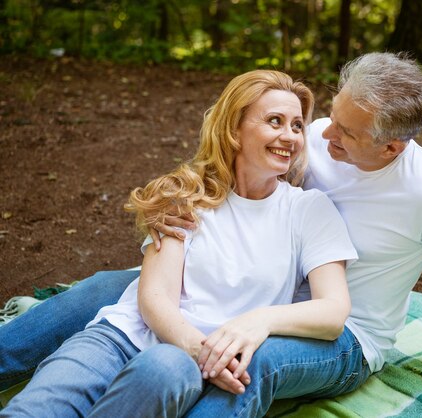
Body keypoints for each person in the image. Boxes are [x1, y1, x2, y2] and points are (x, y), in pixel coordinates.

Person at [0, 53, 422, 415]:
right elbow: (244, 155)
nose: (317, 137)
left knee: (245, 362)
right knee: (114, 290)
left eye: (340, 131)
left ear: (391, 145)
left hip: (339, 333)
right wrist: (183, 198)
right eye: (324, 119)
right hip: (234, 299)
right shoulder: (313, 137)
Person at [0, 70, 359, 417]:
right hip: (122, 338)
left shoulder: (309, 210)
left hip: (183, 364)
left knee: (161, 367)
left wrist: (256, 322)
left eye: (297, 125)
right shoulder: (187, 195)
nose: (291, 136)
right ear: (234, 128)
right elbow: (155, 296)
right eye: (275, 121)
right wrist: (197, 348)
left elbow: (332, 312)